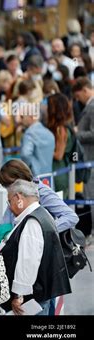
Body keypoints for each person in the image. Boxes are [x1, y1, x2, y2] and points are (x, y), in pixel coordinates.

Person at [0, 179, 71, 315]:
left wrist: (19, 296)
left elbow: (27, 262)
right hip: (41, 294)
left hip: (31, 299)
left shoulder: (32, 222)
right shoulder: (43, 214)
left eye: (9, 202)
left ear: (18, 197)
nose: (10, 207)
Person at [0, 159, 79, 241]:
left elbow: (71, 217)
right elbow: (5, 224)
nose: (8, 189)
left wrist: (41, 231)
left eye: (9, 184)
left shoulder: (42, 191)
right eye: (6, 186)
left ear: (19, 178)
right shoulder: (16, 194)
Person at [72, 77, 94, 232]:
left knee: (91, 195)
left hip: (90, 157)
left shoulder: (92, 107)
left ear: (85, 90)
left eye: (78, 96)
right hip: (88, 158)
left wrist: (76, 133)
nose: (78, 100)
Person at [46, 93, 74, 198]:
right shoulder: (58, 127)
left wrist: (42, 150)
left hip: (58, 174)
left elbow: (59, 154)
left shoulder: (60, 129)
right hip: (58, 172)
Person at [19, 102, 55, 177]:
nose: (20, 120)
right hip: (48, 178)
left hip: (33, 178)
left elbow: (25, 154)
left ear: (31, 116)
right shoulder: (49, 133)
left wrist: (27, 169)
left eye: (22, 117)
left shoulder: (29, 134)